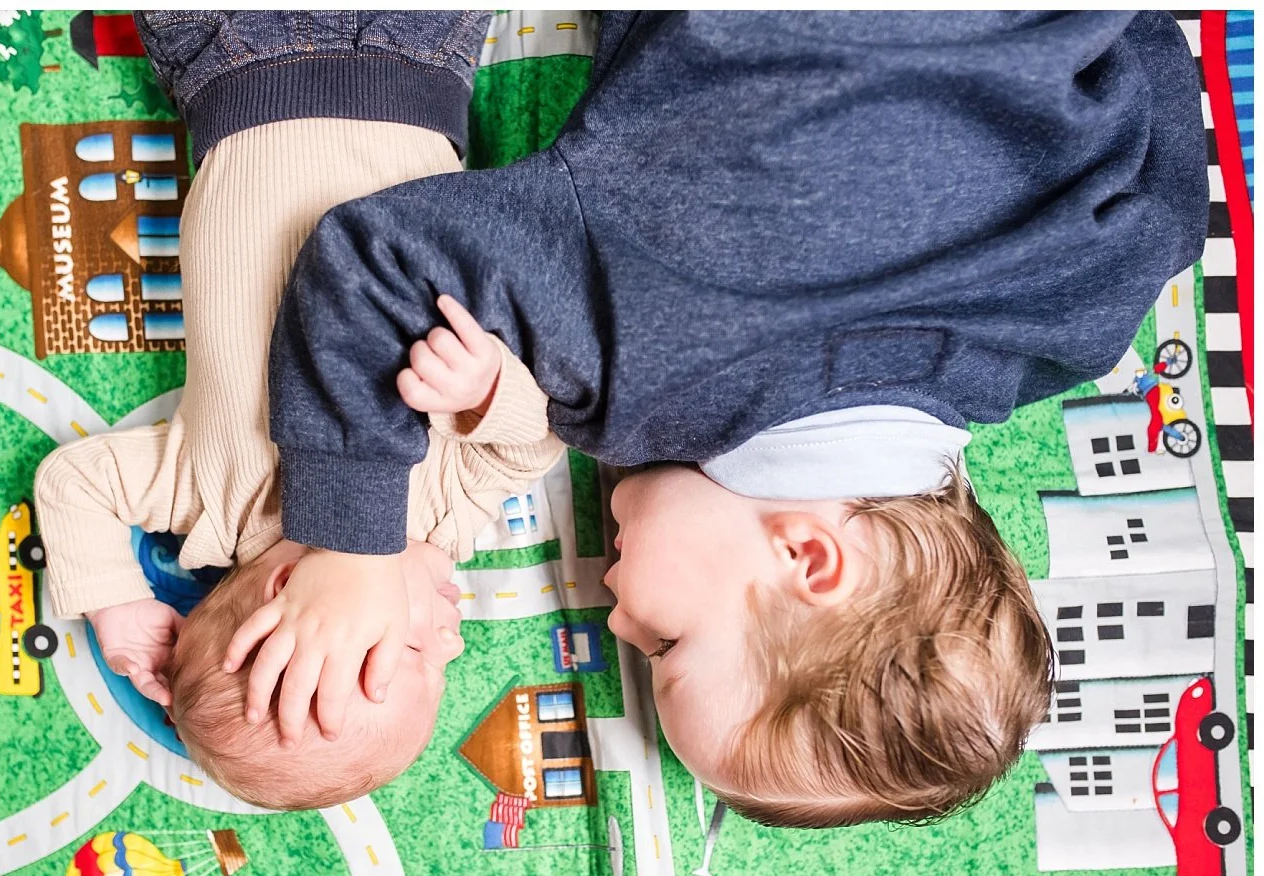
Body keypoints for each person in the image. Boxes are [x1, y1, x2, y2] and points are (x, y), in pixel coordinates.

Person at [240, 11, 1208, 825]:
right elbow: (367, 267)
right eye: (666, 644)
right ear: (809, 559)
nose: (616, 612)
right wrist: (350, 548)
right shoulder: (633, 345)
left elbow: (1162, 78)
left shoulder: (1082, 314)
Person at [34, 10, 565, 809]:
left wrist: (116, 603)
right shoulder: (447, 523)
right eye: (444, 664)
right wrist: (490, 392)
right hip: (419, 63)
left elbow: (75, 484)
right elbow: (536, 444)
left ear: (288, 593)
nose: (456, 638)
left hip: (230, 58)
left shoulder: (209, 502)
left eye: (416, 648)